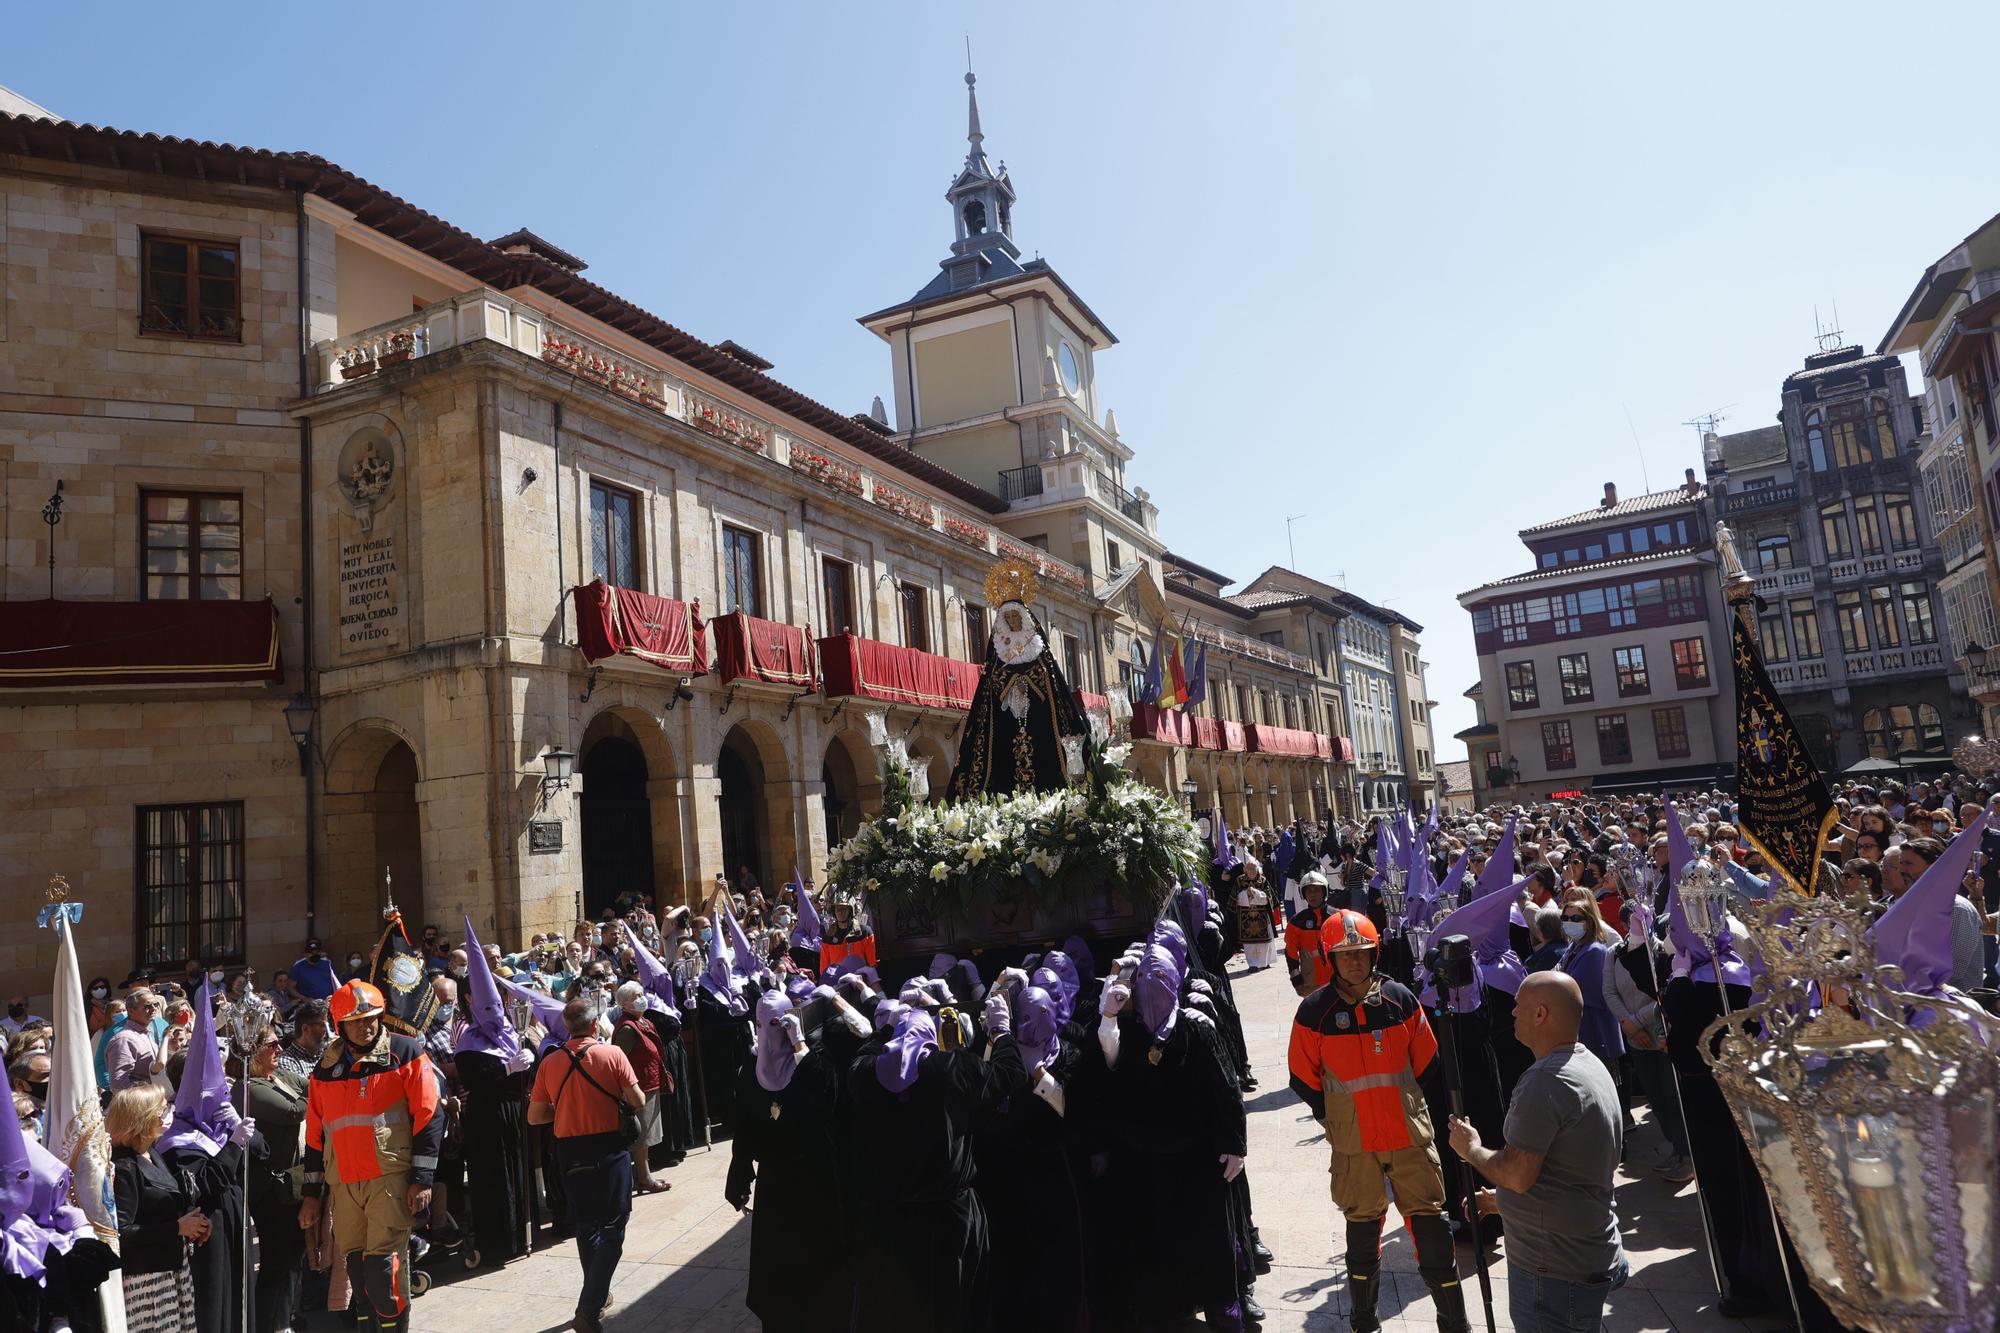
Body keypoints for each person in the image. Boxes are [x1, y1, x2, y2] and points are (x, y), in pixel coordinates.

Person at [1288, 909, 1467, 1333]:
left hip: (1409, 1134)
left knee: (1433, 1235)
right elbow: (1301, 1077)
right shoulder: (1314, 1012)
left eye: (1363, 952)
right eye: (1345, 954)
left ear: (1375, 953)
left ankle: (1455, 1323)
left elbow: (1427, 1063)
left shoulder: (1401, 1000)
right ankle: (1363, 1321)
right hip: (1355, 1145)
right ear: (1330, 957)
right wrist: (1338, 1116)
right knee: (1363, 1239)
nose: (1355, 961)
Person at [1449, 971, 1627, 1333]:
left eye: (1518, 1005)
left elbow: (1517, 1174)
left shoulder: (1545, 1081)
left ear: (1541, 1014)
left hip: (1555, 1271)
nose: (1512, 1012)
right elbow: (1570, 1171)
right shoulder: (1589, 1064)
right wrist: (1501, 1202)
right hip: (1582, 1253)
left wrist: (1472, 1149)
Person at [299, 979, 442, 1333]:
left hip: (388, 1179)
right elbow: (316, 1136)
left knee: (383, 1270)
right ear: (339, 1024)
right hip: (344, 1183)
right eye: (357, 1020)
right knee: (358, 1271)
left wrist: (421, 1179)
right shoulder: (325, 1069)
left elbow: (430, 1114)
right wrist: (311, 1196)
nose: (367, 1026)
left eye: (372, 1017)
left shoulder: (404, 1053)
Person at [725, 990, 849, 1332]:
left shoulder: (810, 1061)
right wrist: (741, 1171)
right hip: (785, 1178)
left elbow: (828, 1101)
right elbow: (746, 1126)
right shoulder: (754, 1069)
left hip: (809, 1175)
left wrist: (801, 1051)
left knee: (813, 1254)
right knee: (784, 1258)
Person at [527, 997, 645, 1333]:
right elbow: (637, 1100)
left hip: (570, 1150)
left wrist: (566, 1110)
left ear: (567, 1026)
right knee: (614, 1227)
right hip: (609, 1148)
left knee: (587, 1224)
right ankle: (589, 1304)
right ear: (595, 1024)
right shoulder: (612, 1054)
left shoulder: (549, 1063)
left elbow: (535, 1116)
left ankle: (597, 1294)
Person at [108, 1083, 211, 1333]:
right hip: (146, 1281)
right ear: (142, 1118)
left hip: (170, 1269)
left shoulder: (151, 1153)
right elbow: (121, 1232)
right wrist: (177, 1227)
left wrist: (195, 1223)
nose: (169, 1113)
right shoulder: (124, 1166)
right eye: (162, 1110)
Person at [241, 1023, 309, 1333]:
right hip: (270, 1189)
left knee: (294, 1255)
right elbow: (293, 1111)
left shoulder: (279, 1075)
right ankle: (270, 1324)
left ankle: (287, 1318)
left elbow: (309, 1084)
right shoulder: (249, 1087)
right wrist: (319, 1099)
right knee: (276, 1260)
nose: (279, 1049)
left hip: (292, 1182)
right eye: (271, 1044)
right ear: (253, 1052)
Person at [608, 982, 670, 1195]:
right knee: (640, 1137)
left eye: (642, 994)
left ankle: (645, 1175)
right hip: (638, 1088)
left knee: (647, 1135)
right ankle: (644, 1178)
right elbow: (618, 1060)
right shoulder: (627, 1028)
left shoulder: (642, 1021)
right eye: (636, 996)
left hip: (649, 1083)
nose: (642, 998)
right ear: (624, 1004)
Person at [105, 989, 177, 1093]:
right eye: (147, 1006)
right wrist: (149, 1098)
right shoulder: (124, 1040)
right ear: (131, 1011)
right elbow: (118, 1085)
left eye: (155, 1004)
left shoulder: (146, 1033)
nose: (153, 1009)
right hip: (141, 1105)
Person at [1284, 871, 1333, 996]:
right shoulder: (1296, 922)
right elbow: (1291, 952)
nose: (1313, 895)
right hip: (1311, 982)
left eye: (1317, 890)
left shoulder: (1336, 918)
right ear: (1303, 894)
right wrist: (1296, 980)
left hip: (1337, 980)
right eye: (1309, 891)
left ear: (1324, 892)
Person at [1234, 859, 1277, 970]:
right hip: (1245, 918)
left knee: (1264, 943)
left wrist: (1255, 893)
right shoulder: (1239, 881)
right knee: (1249, 944)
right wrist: (1245, 894)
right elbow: (1235, 899)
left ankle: (1265, 962)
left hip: (1262, 917)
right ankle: (1252, 964)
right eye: (1249, 869)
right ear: (1245, 870)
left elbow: (1268, 899)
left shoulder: (1263, 881)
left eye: (1253, 869)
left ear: (1257, 869)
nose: (1251, 871)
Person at [277, 1000, 328, 1086]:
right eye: (323, 1025)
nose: (328, 1030)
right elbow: (303, 1093)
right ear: (305, 1029)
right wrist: (325, 1061)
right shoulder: (287, 1061)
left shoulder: (327, 1053)